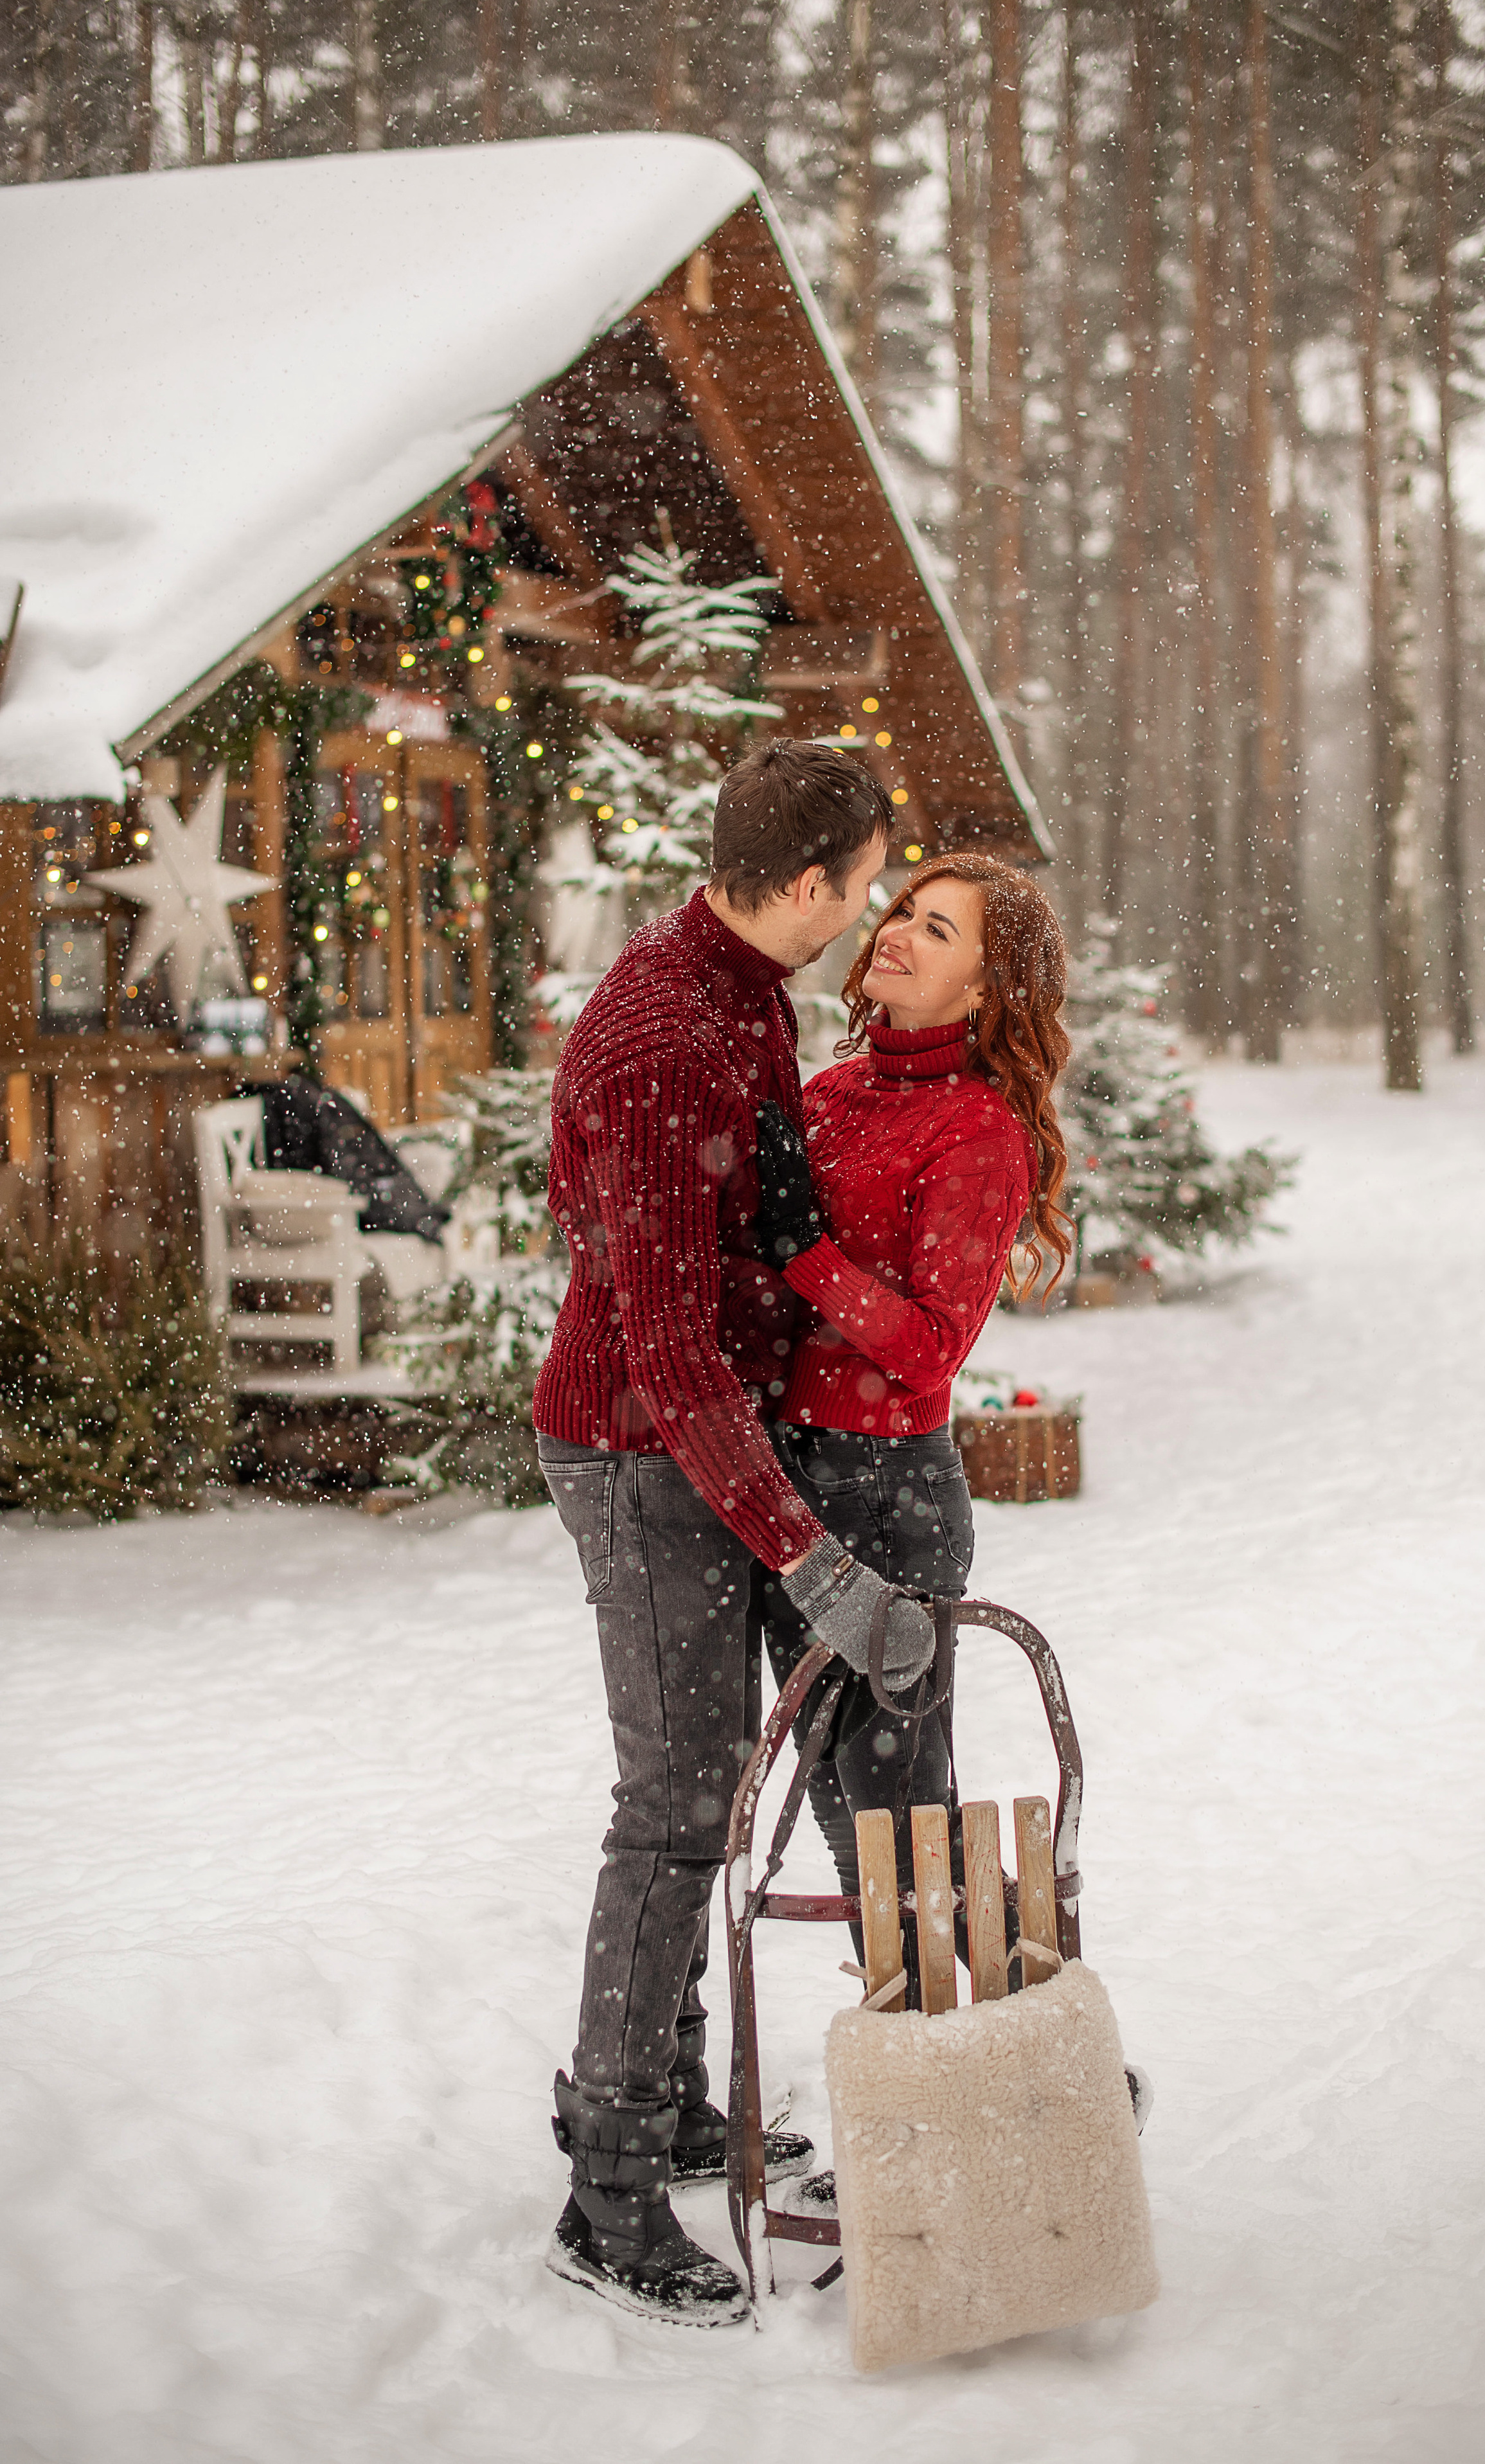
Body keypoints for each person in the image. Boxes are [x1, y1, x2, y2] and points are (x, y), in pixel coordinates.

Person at [532, 739, 938, 2325]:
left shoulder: (738, 987)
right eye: (863, 887)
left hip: (700, 1440)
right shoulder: (660, 1042)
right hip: (640, 1455)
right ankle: (611, 2189)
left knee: (704, 1788)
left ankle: (680, 2105)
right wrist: (811, 1559)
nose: (868, 916)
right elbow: (664, 1349)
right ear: (810, 884)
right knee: (672, 1807)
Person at [752, 853, 1072, 1998]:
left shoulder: (979, 1132)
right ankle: (934, 2058)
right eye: (900, 910)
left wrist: (808, 1258)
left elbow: (933, 1341)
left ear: (985, 991)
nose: (896, 933)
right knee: (840, 1804)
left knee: (898, 1807)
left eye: (937, 929)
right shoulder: (830, 1095)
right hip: (787, 1481)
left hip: (888, 1490)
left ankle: (979, 2064)